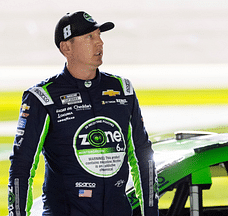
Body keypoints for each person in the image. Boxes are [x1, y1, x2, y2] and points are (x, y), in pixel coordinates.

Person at [8, 11, 159, 216]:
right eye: (89, 37)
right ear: (66, 47)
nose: (100, 43)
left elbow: (143, 156)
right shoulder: (42, 97)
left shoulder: (123, 89)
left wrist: (151, 213)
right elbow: (21, 167)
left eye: (99, 35)